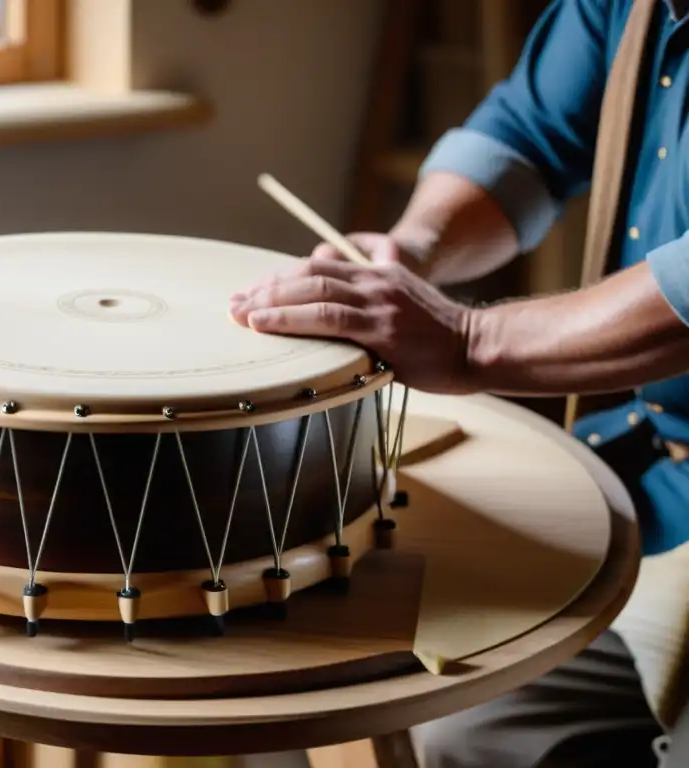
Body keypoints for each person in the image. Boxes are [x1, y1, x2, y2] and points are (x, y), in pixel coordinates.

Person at [230, 0, 689, 766]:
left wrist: (468, 339)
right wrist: (410, 252)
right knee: (449, 733)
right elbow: (530, 136)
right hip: (649, 476)